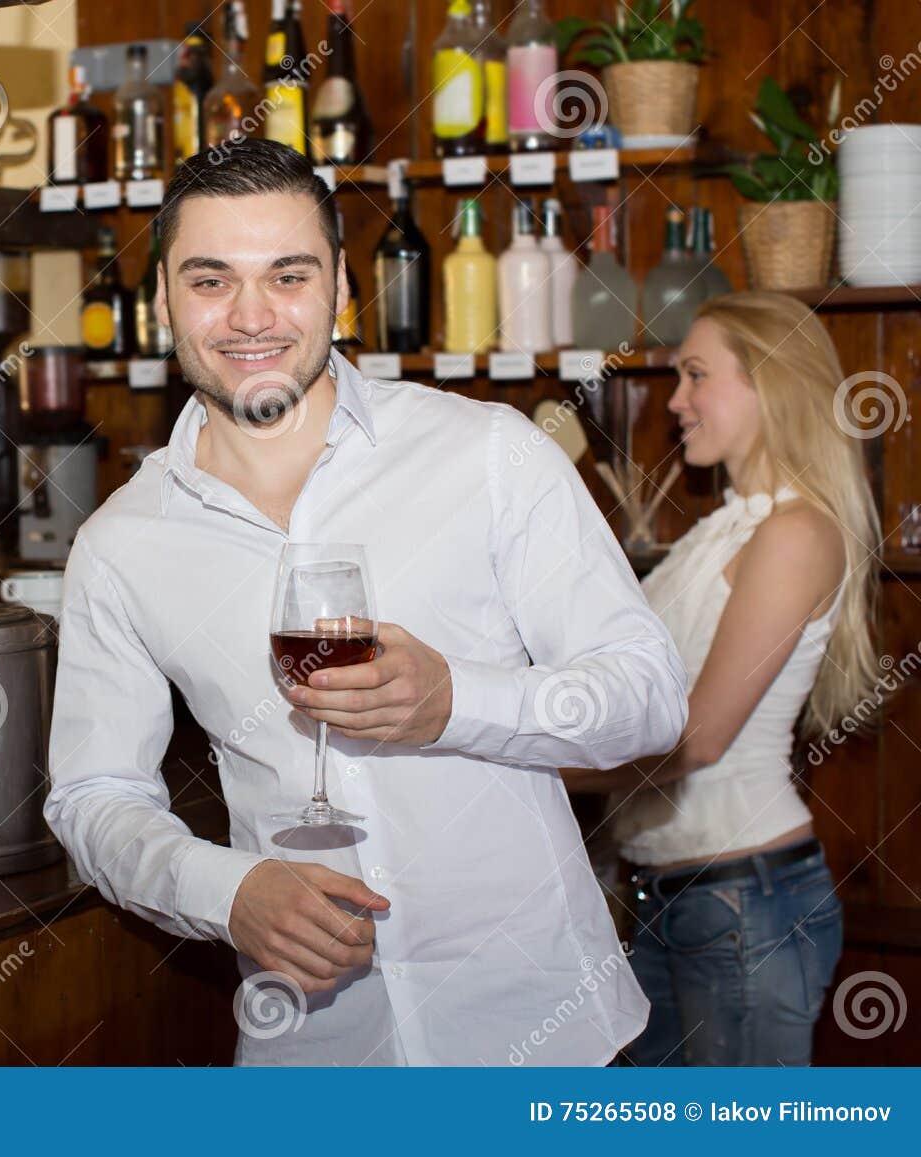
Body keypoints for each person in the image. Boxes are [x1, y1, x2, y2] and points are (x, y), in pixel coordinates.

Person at [42, 138, 688, 1067]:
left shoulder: (489, 454)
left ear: (342, 287)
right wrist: (227, 889)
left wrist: (457, 701)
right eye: (211, 280)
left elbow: (649, 696)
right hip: (313, 1052)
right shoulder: (119, 542)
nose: (251, 315)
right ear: (162, 303)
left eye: (288, 275)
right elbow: (96, 795)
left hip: (545, 1037)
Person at [563, 293, 877, 1066]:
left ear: (767, 383)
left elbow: (697, 741)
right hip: (675, 897)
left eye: (696, 376)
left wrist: (533, 766)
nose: (675, 402)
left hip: (742, 901)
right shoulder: (725, 525)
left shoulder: (796, 532)